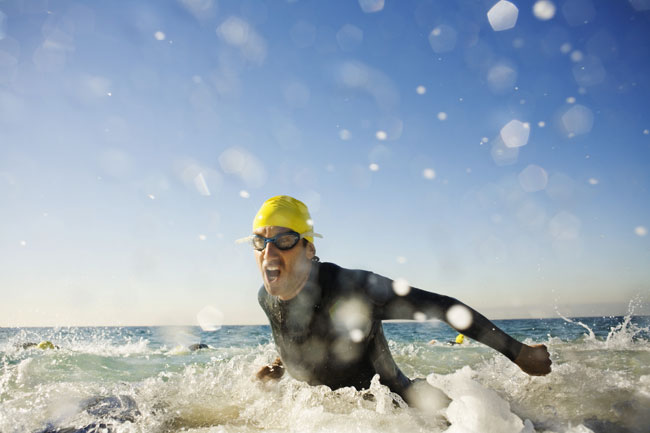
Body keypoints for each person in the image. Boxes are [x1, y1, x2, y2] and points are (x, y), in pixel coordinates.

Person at [242, 195, 551, 406]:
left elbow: (443, 307)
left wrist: (520, 353)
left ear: (309, 249)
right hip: (333, 419)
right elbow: (299, 335)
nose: (268, 254)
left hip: (400, 411)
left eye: (283, 241)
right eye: (260, 242)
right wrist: (277, 367)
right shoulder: (266, 299)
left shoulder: (354, 288)